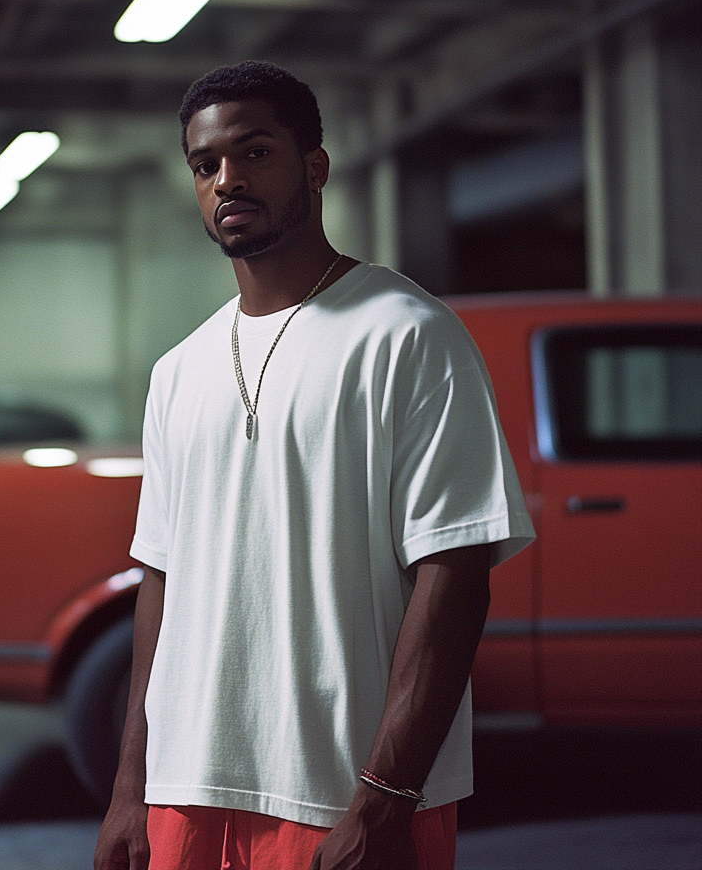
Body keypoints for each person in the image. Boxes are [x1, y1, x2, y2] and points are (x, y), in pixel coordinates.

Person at [94, 61, 534, 870]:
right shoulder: (177, 370)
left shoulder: (408, 335)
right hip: (187, 793)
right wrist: (132, 789)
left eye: (255, 153)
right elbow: (161, 581)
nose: (227, 179)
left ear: (315, 167)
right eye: (205, 164)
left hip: (344, 800)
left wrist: (384, 800)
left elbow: (456, 575)